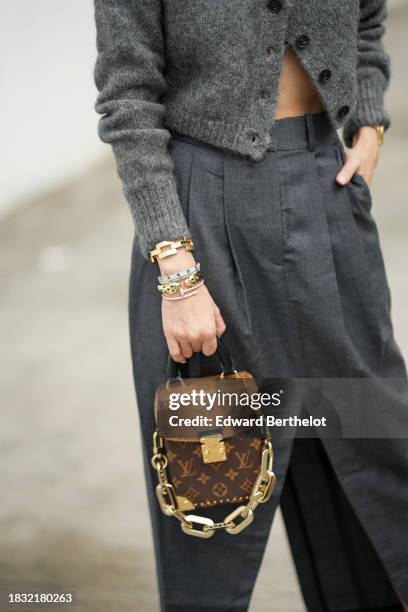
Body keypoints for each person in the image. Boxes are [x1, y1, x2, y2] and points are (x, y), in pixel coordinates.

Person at [93, 1, 408, 611]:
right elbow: (128, 97)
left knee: (374, 436)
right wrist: (177, 272)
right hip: (201, 217)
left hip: (328, 187)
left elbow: (369, 21)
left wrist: (369, 120)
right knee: (211, 467)